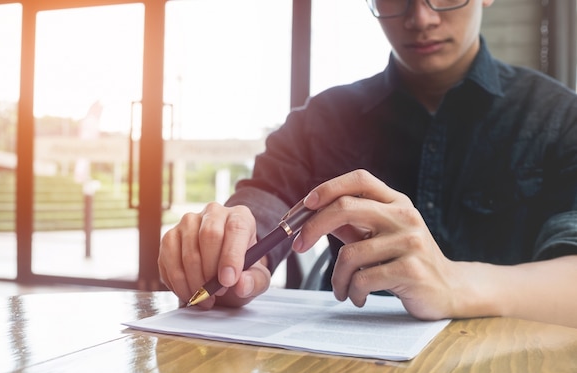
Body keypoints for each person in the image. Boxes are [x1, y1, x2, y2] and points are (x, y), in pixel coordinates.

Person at [158, 0, 577, 328]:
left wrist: (453, 283)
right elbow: (263, 202)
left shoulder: (559, 118)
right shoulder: (321, 119)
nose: (421, 17)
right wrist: (226, 246)